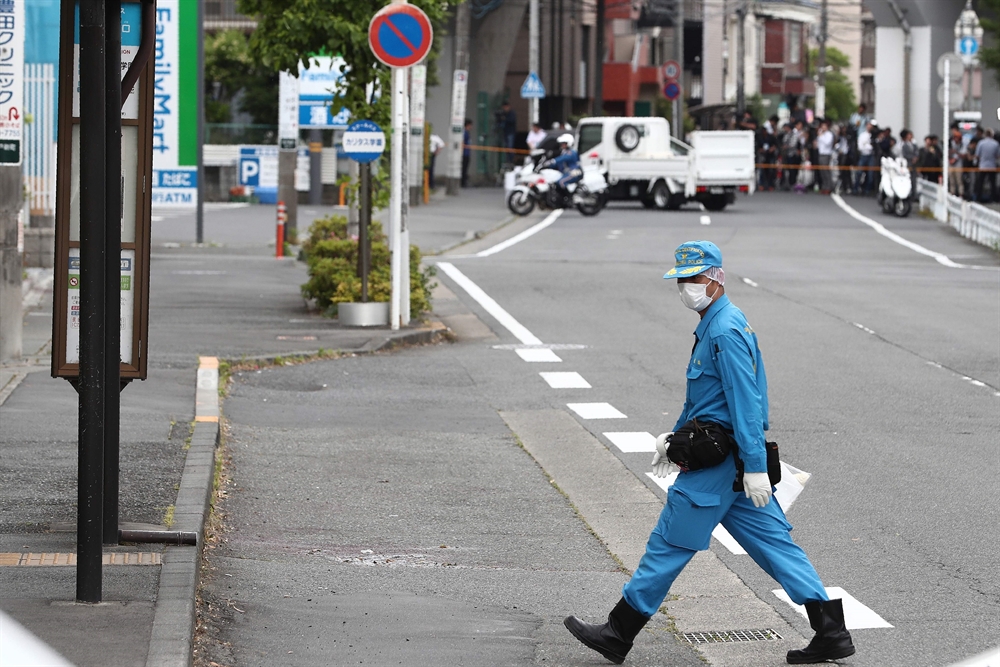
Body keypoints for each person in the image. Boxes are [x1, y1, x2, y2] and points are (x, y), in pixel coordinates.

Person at [563, 240, 856, 666]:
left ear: (717, 279)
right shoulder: (718, 323)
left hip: (720, 464)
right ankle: (832, 632)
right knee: (776, 545)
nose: (687, 287)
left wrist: (756, 466)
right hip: (730, 460)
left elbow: (745, 402)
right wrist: (674, 438)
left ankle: (617, 633)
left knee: (668, 542)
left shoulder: (723, 330)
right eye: (682, 280)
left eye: (696, 278)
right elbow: (710, 397)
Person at [545, 133, 581, 200]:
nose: (562, 145)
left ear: (569, 143)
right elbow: (560, 163)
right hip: (569, 172)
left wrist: (553, 161)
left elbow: (563, 159)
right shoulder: (564, 152)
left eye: (564, 143)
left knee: (561, 182)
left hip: (575, 171)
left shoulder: (571, 152)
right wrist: (549, 165)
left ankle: (569, 198)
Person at [974, 128, 1000, 202]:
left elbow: (977, 155)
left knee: (980, 183)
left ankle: (978, 198)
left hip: (983, 166)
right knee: (992, 184)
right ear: (992, 135)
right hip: (992, 166)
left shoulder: (981, 143)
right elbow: (998, 155)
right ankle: (994, 198)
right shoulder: (995, 143)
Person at [855, 120, 875, 195]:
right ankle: (856, 187)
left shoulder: (873, 135)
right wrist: (867, 146)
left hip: (871, 156)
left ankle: (867, 189)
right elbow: (860, 147)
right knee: (859, 172)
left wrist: (866, 145)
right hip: (863, 155)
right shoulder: (862, 135)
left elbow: (873, 147)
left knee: (870, 174)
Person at [815, 120, 834, 194]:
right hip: (821, 153)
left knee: (826, 171)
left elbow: (827, 143)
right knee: (822, 171)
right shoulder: (821, 134)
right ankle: (824, 186)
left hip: (826, 154)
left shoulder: (829, 134)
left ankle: (829, 186)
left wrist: (821, 136)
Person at [899, 129, 918, 200]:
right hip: (908, 164)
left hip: (913, 165)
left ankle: (914, 194)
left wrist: (915, 158)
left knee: (914, 180)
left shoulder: (914, 145)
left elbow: (917, 152)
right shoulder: (904, 145)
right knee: (907, 179)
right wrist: (911, 158)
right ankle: (907, 194)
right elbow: (904, 154)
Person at [461, 119, 472, 188]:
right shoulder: (464, 133)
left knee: (465, 168)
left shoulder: (466, 132)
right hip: (465, 153)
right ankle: (463, 182)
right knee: (464, 168)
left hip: (467, 152)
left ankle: (464, 181)